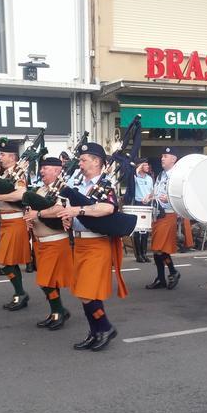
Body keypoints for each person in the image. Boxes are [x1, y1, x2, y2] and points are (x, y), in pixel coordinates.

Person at [54, 141, 127, 351]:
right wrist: (68, 219)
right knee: (85, 292)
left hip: (96, 243)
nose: (80, 163)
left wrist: (78, 212)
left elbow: (107, 208)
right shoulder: (79, 185)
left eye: (84, 160)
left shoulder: (105, 185)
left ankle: (105, 327)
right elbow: (72, 209)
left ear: (96, 162)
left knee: (86, 292)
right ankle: (95, 331)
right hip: (79, 242)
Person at [23, 157, 72, 329]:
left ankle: (59, 311)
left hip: (55, 241)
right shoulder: (40, 190)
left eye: (46, 168)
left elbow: (59, 210)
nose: (41, 171)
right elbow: (31, 210)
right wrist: (29, 219)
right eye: (41, 168)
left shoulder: (64, 189)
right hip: (41, 243)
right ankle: (56, 312)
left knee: (45, 281)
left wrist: (37, 215)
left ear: (57, 171)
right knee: (49, 281)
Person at [0, 140, 31, 311]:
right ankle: (19, 293)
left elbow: (20, 195)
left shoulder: (18, 174)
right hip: (5, 221)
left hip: (15, 221)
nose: (0, 157)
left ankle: (20, 292)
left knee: (3, 261)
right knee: (8, 261)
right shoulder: (5, 175)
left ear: (12, 156)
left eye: (3, 155)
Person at [146, 146, 182, 290]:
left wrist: (170, 198)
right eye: (162, 156)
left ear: (174, 159)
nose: (162, 158)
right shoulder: (161, 175)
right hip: (158, 214)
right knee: (158, 249)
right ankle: (163, 277)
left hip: (168, 214)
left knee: (159, 248)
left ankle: (172, 272)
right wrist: (150, 196)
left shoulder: (177, 176)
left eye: (165, 157)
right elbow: (156, 191)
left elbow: (182, 195)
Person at [132, 156, 153, 263]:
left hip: (146, 204)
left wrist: (149, 197)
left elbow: (152, 192)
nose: (147, 166)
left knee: (145, 230)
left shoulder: (149, 178)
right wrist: (137, 169)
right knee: (137, 230)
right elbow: (132, 178)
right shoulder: (135, 177)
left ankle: (144, 253)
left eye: (147, 164)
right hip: (137, 204)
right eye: (144, 165)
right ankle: (138, 255)